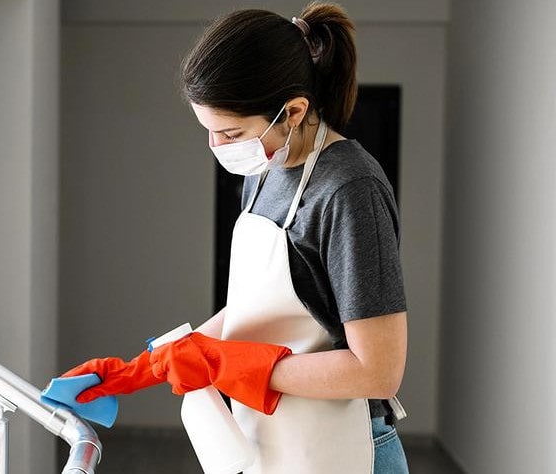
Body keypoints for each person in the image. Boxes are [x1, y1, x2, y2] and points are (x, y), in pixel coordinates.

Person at [59, 2, 409, 473]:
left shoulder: (349, 189)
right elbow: (259, 309)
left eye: (230, 132)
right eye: (209, 132)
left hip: (345, 448)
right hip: (274, 440)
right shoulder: (265, 171)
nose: (218, 148)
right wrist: (141, 369)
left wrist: (225, 364)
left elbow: (378, 370)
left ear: (293, 111)